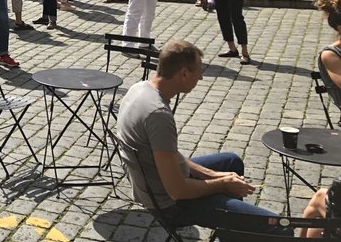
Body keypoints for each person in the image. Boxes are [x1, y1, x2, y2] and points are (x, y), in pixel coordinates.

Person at [117, 39, 296, 232]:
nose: (201, 77)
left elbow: (170, 154)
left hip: (153, 182)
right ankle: (236, 224)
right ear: (184, 73)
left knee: (231, 162)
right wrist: (222, 184)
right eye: (199, 71)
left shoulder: (139, 88)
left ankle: (232, 232)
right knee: (279, 226)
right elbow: (177, 191)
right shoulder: (158, 115)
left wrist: (213, 174)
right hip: (169, 205)